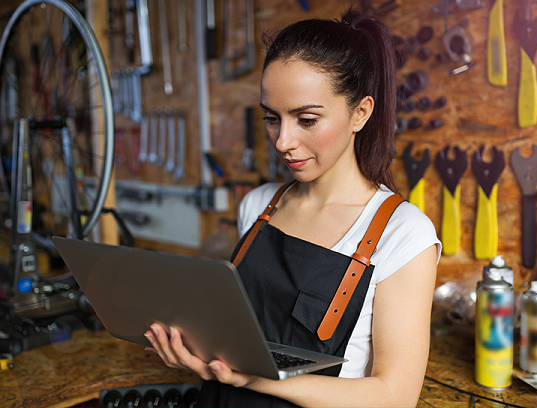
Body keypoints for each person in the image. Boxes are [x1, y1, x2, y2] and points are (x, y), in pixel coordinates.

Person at [144, 8, 441, 408]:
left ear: (360, 113)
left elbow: (394, 396)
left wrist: (255, 379)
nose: (283, 141)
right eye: (272, 118)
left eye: (306, 119)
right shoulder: (258, 206)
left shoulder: (403, 234)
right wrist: (195, 352)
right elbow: (240, 335)